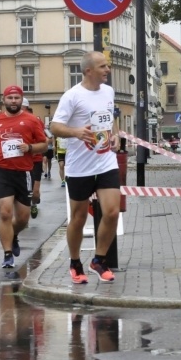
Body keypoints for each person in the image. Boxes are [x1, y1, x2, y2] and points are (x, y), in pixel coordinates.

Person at [49, 51, 121, 284]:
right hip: (79, 166)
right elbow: (55, 127)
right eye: (103, 66)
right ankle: (75, 261)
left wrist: (116, 135)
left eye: (107, 66)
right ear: (88, 70)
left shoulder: (108, 91)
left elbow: (111, 117)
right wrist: (76, 132)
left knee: (111, 211)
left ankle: (99, 260)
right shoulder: (72, 96)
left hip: (105, 160)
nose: (107, 70)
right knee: (79, 217)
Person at [0, 85, 47, 269]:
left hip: (24, 172)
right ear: (4, 100)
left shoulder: (31, 120)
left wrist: (30, 148)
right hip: (2, 171)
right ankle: (7, 254)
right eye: (10, 98)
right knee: (5, 212)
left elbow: (45, 144)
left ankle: (14, 234)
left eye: (17, 98)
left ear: (21, 100)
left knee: (23, 219)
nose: (13, 101)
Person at [22, 97, 46, 219]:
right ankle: (22, 212)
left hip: (35, 159)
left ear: (26, 107)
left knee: (35, 192)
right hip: (20, 161)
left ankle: (34, 203)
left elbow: (45, 138)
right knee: (23, 191)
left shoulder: (35, 120)